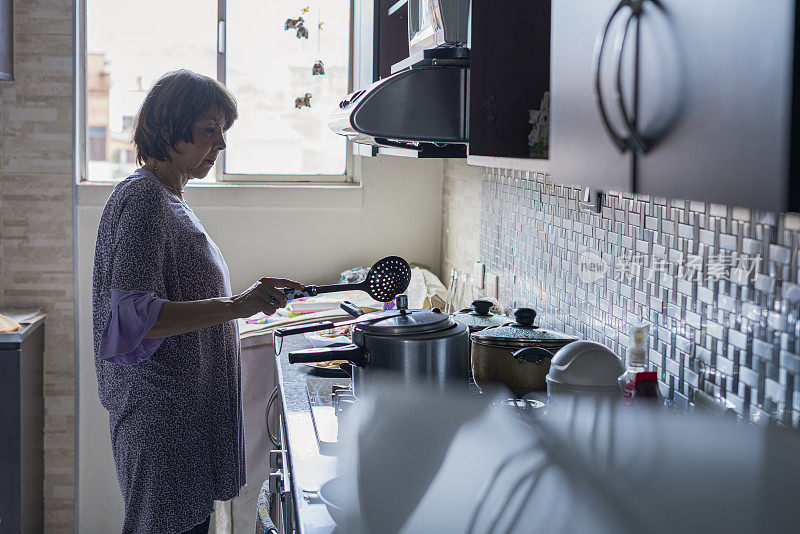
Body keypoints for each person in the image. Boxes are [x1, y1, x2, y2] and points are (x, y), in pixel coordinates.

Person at [91, 69, 304, 534]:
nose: (221, 144)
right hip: (162, 424)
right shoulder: (144, 200)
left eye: (222, 131)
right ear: (169, 129)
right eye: (211, 130)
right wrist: (236, 306)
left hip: (182, 420)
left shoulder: (167, 198)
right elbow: (135, 319)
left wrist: (247, 302)